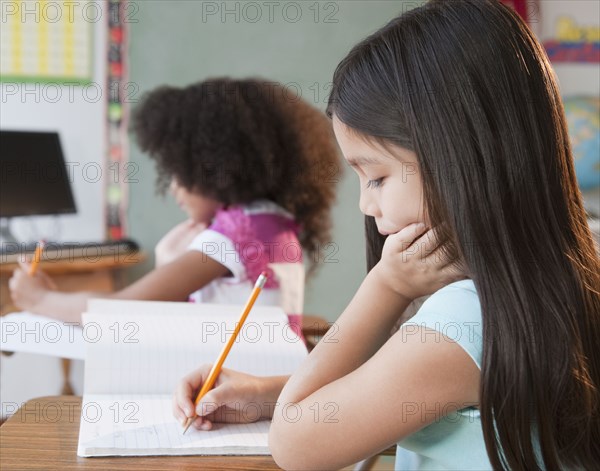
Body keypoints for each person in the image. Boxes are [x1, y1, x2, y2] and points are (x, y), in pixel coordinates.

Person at [172, 1, 600, 470]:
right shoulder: (551, 284)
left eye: (375, 177)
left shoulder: (464, 320)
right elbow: (391, 393)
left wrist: (386, 285)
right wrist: (266, 393)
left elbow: (295, 445)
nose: (364, 204)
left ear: (458, 161)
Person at [9, 78, 340, 325]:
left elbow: (118, 311)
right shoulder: (271, 221)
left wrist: (39, 298)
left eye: (178, 173)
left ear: (216, 168)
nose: (173, 189)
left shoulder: (237, 233)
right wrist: (171, 267)